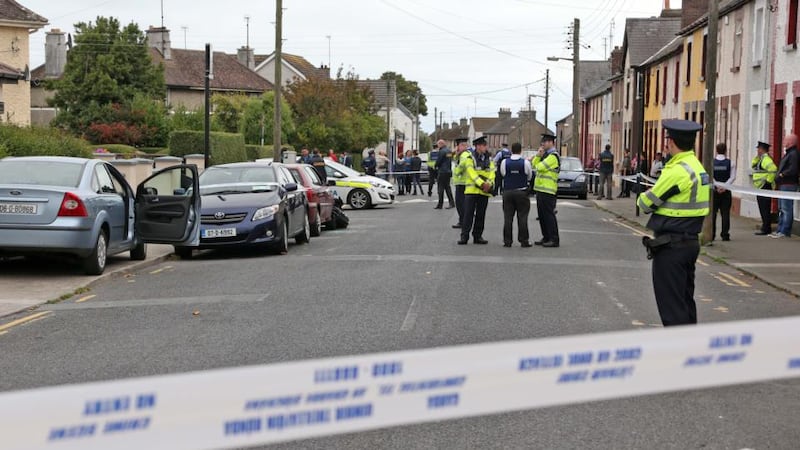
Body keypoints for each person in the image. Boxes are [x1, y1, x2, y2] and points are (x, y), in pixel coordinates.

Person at [637, 119, 710, 326]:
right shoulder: (697, 167)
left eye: (667, 139)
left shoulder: (676, 171)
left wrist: (646, 194)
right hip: (690, 242)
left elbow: (645, 204)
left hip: (671, 246)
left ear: (671, 142)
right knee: (685, 302)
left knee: (671, 307)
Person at [459, 136, 495, 245]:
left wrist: (489, 184)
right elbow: (471, 172)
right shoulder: (470, 158)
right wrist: (482, 183)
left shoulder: (489, 158)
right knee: (468, 215)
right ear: (478, 146)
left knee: (481, 215)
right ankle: (464, 236)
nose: (486, 147)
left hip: (484, 191)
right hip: (472, 191)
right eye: (484, 145)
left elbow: (492, 172)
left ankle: (478, 236)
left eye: (486, 145)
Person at [501, 142, 533, 247]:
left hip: (508, 192)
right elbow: (529, 176)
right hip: (521, 192)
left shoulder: (505, 162)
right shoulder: (525, 163)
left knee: (508, 217)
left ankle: (507, 241)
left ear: (511, 150)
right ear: (521, 150)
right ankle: (524, 240)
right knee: (522, 217)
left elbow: (503, 174)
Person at [532, 133, 560, 247]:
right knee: (542, 216)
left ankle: (554, 239)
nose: (542, 144)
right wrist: (538, 156)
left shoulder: (553, 156)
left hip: (549, 190)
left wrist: (539, 159)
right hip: (541, 190)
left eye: (545, 142)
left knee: (549, 216)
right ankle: (546, 237)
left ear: (551, 143)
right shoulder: (545, 155)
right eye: (542, 142)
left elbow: (539, 167)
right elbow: (534, 164)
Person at [772, 134, 799, 238]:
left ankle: (785, 231)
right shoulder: (789, 153)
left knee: (786, 208)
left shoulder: (793, 154)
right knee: (781, 208)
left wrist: (782, 174)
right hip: (783, 184)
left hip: (788, 184)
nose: (784, 141)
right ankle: (780, 229)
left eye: (786, 140)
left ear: (791, 142)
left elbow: (793, 169)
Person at [751, 141, 777, 235]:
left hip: (764, 186)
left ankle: (766, 228)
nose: (757, 150)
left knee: (765, 208)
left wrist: (768, 182)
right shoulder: (761, 159)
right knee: (763, 208)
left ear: (762, 149)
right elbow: (753, 165)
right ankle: (765, 227)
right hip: (761, 187)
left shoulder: (766, 159)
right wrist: (757, 157)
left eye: (758, 148)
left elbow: (773, 169)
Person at [711, 143, 736, 241]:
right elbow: (732, 177)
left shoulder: (712, 162)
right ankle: (725, 234)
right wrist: (724, 187)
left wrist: (717, 186)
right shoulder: (731, 163)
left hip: (714, 191)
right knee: (725, 213)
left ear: (716, 150)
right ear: (726, 150)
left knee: (713, 214)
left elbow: (710, 176)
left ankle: (712, 234)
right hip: (726, 191)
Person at [451, 137, 470, 228]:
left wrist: (457, 171)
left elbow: (462, 165)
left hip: (463, 182)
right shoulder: (460, 154)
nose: (464, 146)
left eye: (464, 145)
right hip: (461, 182)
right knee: (461, 203)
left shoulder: (465, 155)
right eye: (461, 145)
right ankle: (463, 220)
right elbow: (454, 159)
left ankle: (463, 221)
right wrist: (456, 153)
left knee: (460, 203)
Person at [434, 139, 455, 209]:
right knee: (448, 188)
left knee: (440, 188)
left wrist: (435, 166)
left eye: (438, 145)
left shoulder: (441, 151)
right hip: (448, 171)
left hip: (442, 171)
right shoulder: (449, 151)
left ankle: (440, 204)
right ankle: (451, 203)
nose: (437, 146)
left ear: (441, 144)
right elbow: (449, 160)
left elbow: (438, 161)